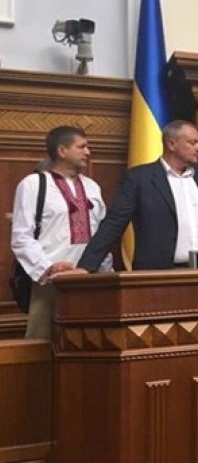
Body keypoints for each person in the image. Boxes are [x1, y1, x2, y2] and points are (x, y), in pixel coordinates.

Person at [76, 120, 198, 271]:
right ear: (171, 144)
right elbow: (114, 223)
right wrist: (86, 266)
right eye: (192, 143)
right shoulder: (139, 178)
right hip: (158, 273)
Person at [11, 126, 113, 339]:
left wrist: (106, 273)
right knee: (43, 345)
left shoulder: (92, 186)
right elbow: (22, 237)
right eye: (81, 147)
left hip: (91, 280)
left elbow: (101, 235)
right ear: (62, 151)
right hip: (50, 283)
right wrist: (48, 268)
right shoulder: (33, 185)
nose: (88, 152)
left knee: (92, 343)